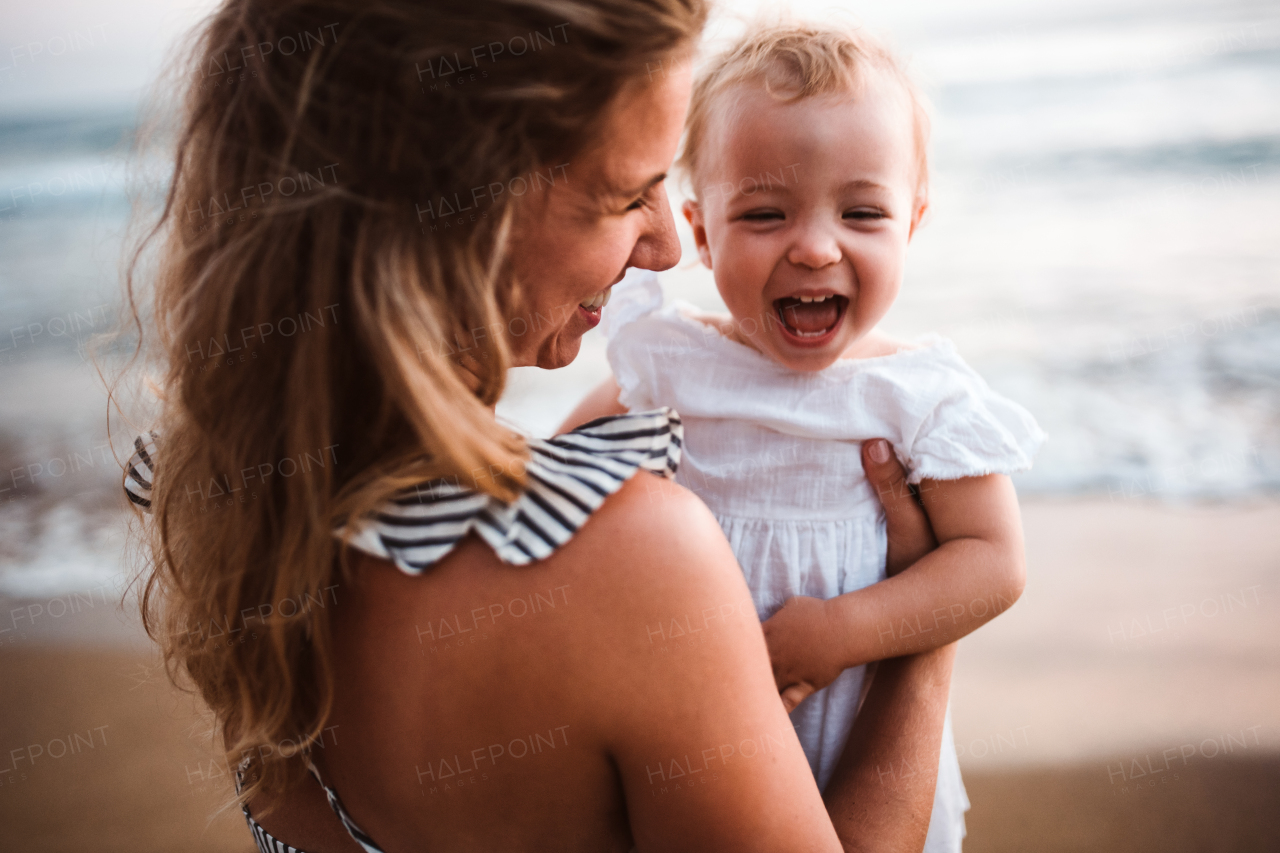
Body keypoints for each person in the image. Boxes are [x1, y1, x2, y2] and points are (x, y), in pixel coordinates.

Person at [121, 1, 957, 850]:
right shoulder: (633, 563)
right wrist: (925, 642)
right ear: (461, 206)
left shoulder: (219, 497)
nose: (667, 247)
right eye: (629, 193)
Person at [564, 22, 1045, 851]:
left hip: (868, 751)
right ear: (702, 230)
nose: (816, 246)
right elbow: (553, 475)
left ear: (914, 220)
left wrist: (847, 631)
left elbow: (993, 563)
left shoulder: (918, 398)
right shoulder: (673, 364)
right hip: (699, 756)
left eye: (862, 212)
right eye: (763, 212)